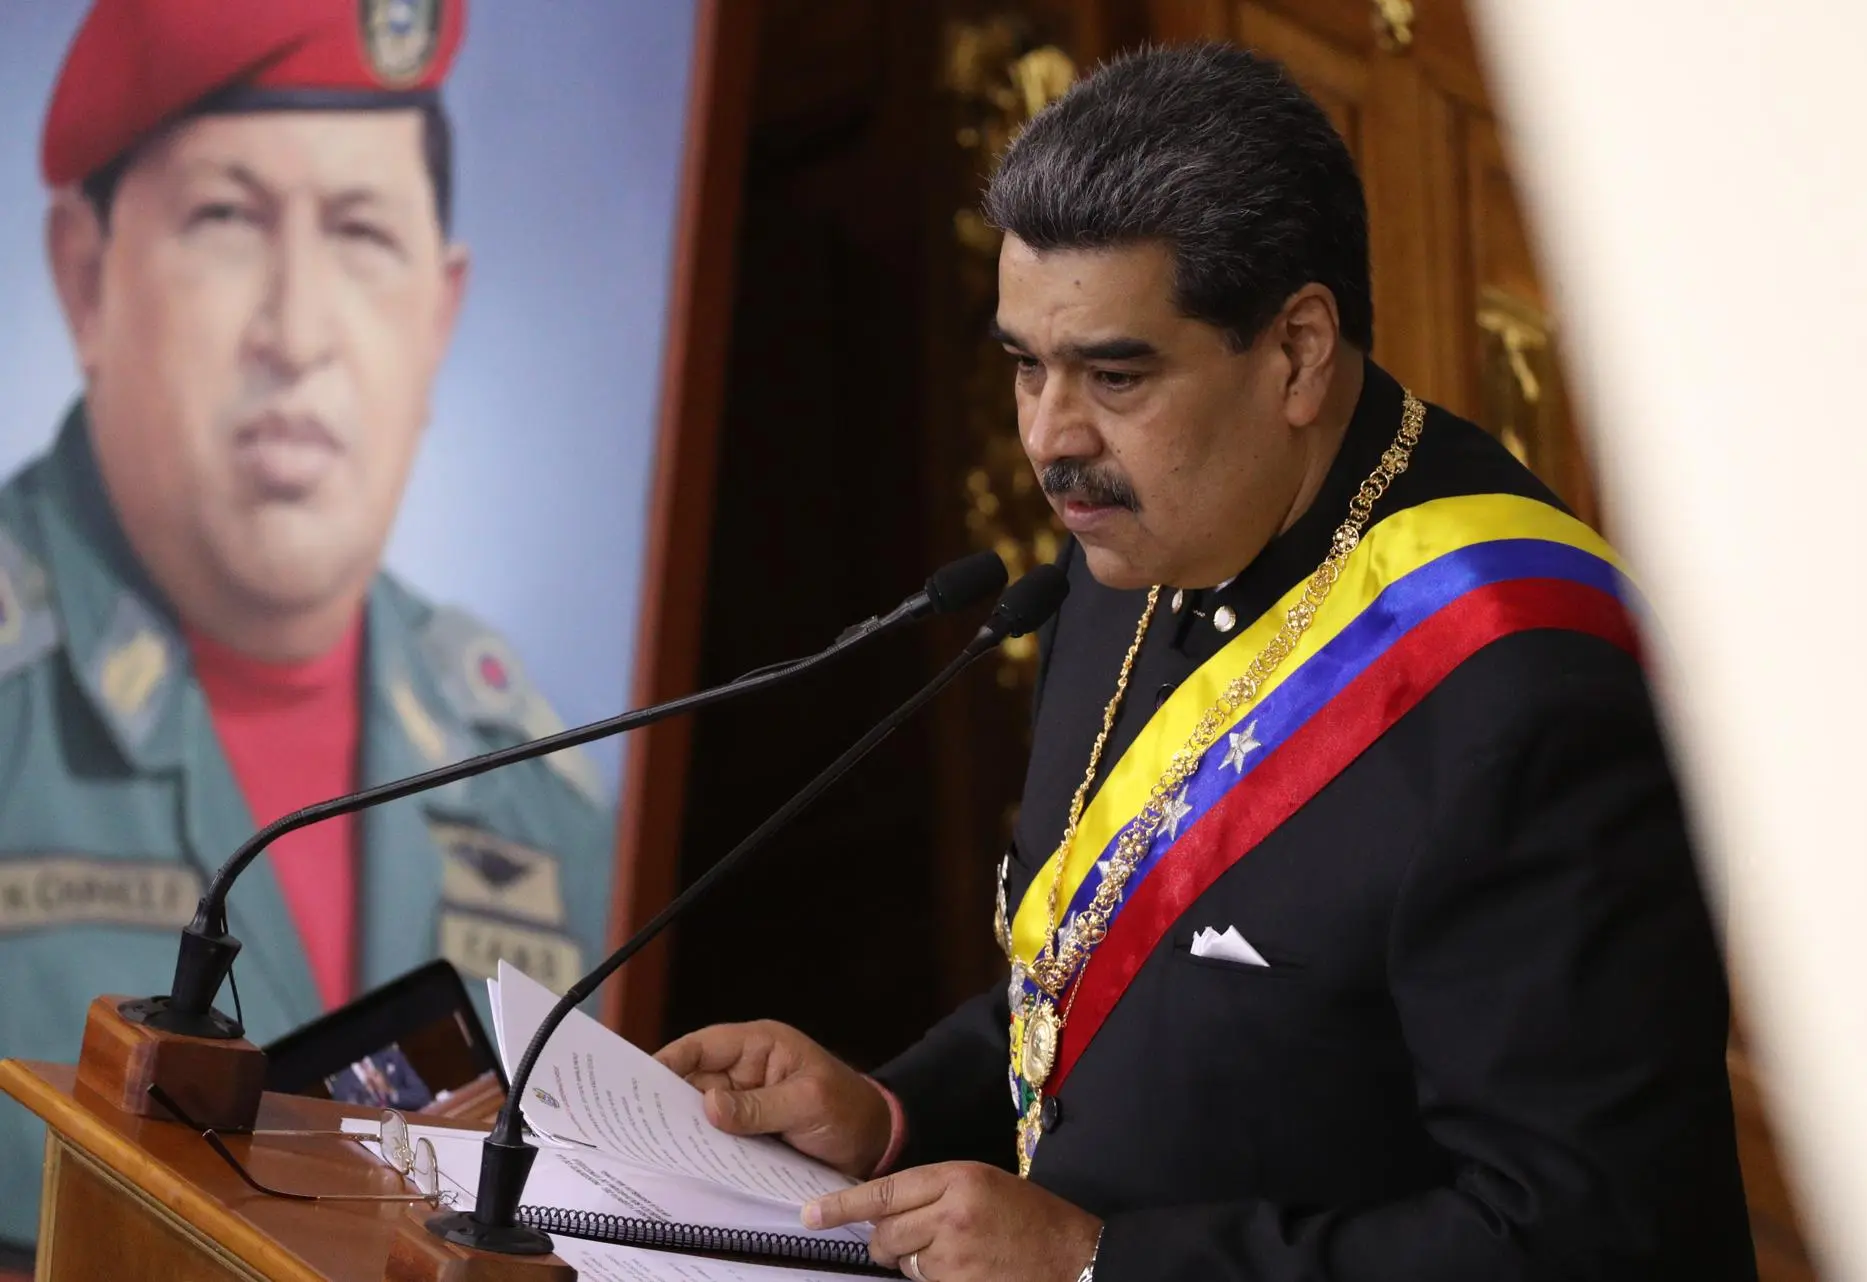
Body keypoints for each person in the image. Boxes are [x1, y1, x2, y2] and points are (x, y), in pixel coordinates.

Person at [657, 43, 1757, 1281]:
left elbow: (1588, 1238)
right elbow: (1106, 989)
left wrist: (1098, 1264)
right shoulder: (1132, 534)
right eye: (1026, 362)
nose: (1049, 441)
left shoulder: (1528, 689)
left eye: (1115, 375)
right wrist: (887, 1115)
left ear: (1295, 350)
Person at [0, 0, 611, 1255]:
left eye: (360, 231)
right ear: (84, 279)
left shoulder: (535, 788)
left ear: (438, 317)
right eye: (226, 220)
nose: (298, 328)